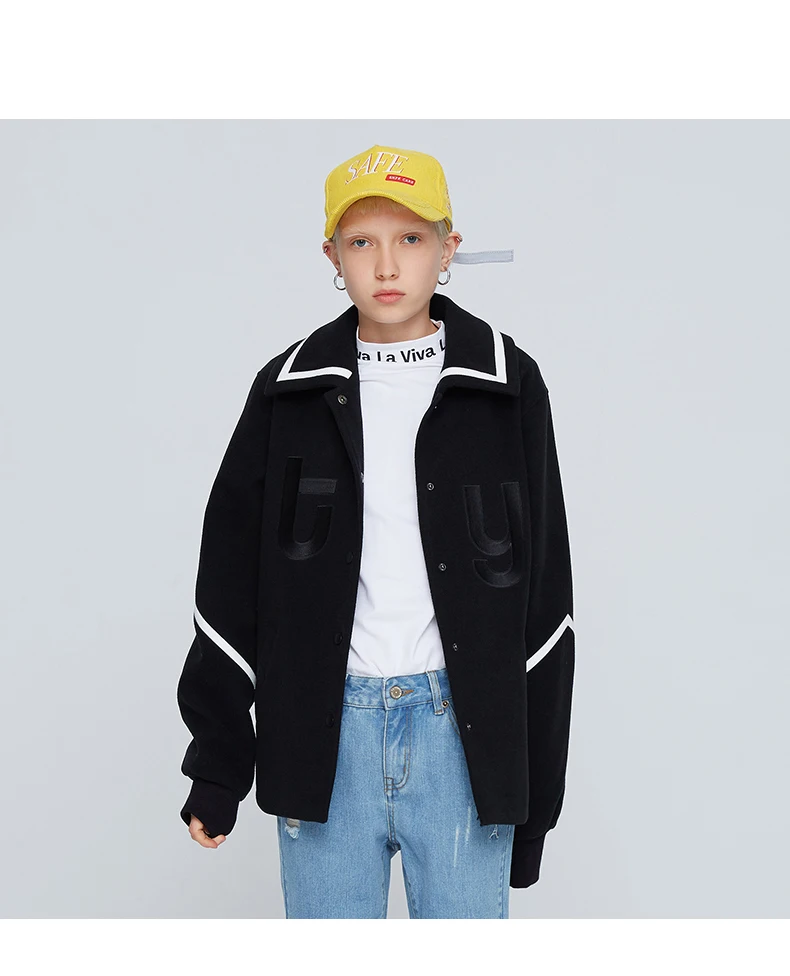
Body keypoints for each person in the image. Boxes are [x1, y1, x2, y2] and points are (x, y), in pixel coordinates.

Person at [177, 144, 575, 918]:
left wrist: (532, 806)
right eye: (362, 242)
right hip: (324, 740)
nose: (386, 265)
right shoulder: (288, 391)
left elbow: (545, 601)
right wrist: (218, 767)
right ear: (332, 256)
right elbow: (226, 579)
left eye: (411, 239)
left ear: (448, 250)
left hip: (462, 743)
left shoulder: (506, 385)